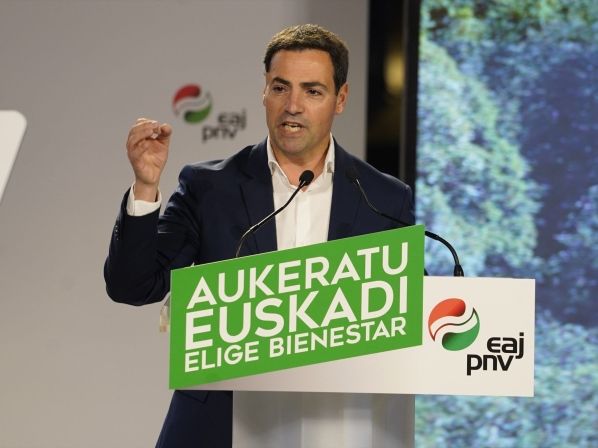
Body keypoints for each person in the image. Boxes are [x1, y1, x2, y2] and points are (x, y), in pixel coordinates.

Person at [105, 24, 414, 448]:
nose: (293, 106)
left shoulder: (383, 197)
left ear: (340, 99)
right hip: (220, 421)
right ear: (264, 92)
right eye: (280, 88)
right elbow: (132, 285)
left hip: (335, 424)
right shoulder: (209, 187)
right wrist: (145, 187)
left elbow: (409, 311)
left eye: (312, 91)